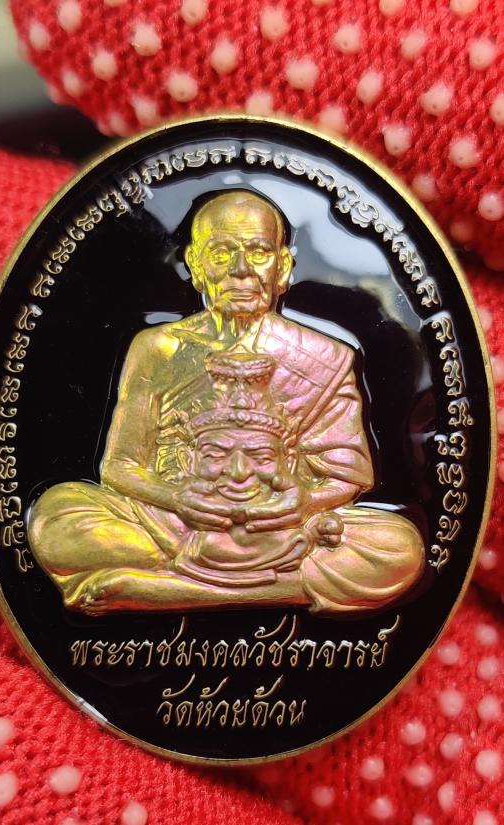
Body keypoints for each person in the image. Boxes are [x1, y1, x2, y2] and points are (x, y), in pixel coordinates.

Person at [28, 190, 424, 615]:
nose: (240, 270)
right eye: (221, 253)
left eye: (258, 252)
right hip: (177, 523)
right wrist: (177, 499)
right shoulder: (158, 348)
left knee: (399, 547)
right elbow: (120, 467)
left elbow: (345, 476)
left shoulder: (325, 357)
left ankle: (164, 589)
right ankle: (282, 588)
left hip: (282, 528)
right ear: (196, 266)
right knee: (56, 521)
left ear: (283, 267)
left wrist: (301, 503)